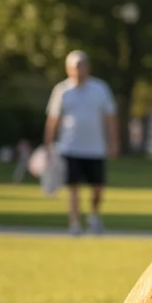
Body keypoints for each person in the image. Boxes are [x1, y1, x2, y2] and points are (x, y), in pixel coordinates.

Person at [44, 50, 118, 235]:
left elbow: (110, 117)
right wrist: (48, 144)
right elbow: (53, 120)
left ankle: (93, 216)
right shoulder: (62, 90)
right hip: (70, 147)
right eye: (74, 67)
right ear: (68, 69)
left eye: (81, 66)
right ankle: (75, 223)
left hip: (95, 148)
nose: (78, 70)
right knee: (73, 187)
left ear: (87, 67)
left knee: (98, 188)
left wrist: (113, 142)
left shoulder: (100, 89)